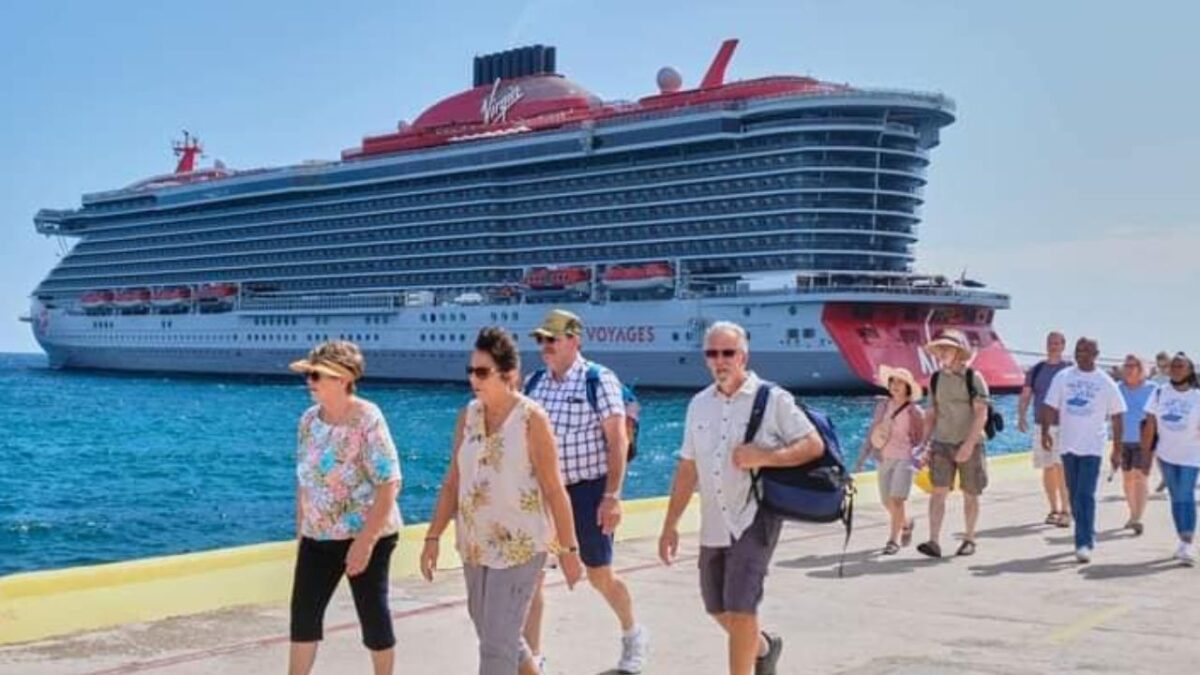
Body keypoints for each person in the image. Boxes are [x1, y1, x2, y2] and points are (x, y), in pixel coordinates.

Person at [657, 321, 824, 675]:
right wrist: (670, 525)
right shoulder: (698, 405)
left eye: (728, 353)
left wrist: (765, 457)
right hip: (714, 521)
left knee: (740, 607)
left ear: (743, 356)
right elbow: (687, 469)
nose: (720, 360)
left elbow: (813, 445)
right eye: (712, 353)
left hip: (755, 516)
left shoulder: (772, 398)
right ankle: (764, 648)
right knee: (715, 605)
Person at [420, 327, 584, 674]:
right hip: (475, 544)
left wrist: (569, 551)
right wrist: (432, 536)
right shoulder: (469, 416)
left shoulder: (531, 419)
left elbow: (555, 489)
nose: (473, 379)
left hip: (521, 546)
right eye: (471, 371)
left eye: (482, 372)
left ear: (508, 375)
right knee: (495, 633)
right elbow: (453, 482)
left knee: (496, 648)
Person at [521, 309, 647, 674]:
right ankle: (534, 660)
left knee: (599, 575)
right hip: (545, 492)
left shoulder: (598, 379)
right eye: (541, 340)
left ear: (575, 340)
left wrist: (612, 496)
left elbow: (617, 440)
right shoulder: (534, 383)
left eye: (552, 339)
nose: (544, 346)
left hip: (589, 490)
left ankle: (633, 635)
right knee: (533, 578)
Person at [287, 341, 403, 675]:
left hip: (367, 533)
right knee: (303, 616)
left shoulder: (368, 418)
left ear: (342, 379)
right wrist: (301, 533)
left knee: (373, 615)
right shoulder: (309, 420)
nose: (309, 381)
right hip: (318, 535)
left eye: (316, 375)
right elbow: (304, 481)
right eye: (309, 374)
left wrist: (365, 543)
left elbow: (389, 482)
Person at [1042, 338, 1125, 563]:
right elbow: (1050, 405)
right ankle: (1086, 530)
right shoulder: (1064, 377)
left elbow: (1118, 416)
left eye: (1086, 350)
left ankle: (1083, 542)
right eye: (1078, 350)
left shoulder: (1105, 382)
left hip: (1093, 447)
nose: (1081, 354)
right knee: (1073, 493)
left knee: (1085, 494)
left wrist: (1117, 449)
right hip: (1068, 445)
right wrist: (1045, 432)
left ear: (1096, 353)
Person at [916, 329, 990, 559]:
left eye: (946, 349)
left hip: (970, 443)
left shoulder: (973, 378)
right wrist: (924, 445)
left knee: (970, 493)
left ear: (958, 352)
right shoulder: (936, 379)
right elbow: (931, 414)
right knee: (937, 493)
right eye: (939, 349)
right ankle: (933, 541)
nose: (941, 353)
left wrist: (968, 445)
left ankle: (969, 538)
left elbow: (981, 414)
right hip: (942, 442)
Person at [854, 365, 925, 554]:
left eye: (900, 382)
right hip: (884, 458)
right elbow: (873, 432)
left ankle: (892, 540)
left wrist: (920, 458)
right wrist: (862, 458)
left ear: (908, 387)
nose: (895, 385)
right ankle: (907, 523)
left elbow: (922, 438)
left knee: (897, 500)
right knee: (886, 502)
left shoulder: (915, 411)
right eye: (893, 381)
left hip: (905, 459)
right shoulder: (883, 406)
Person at [1142, 353, 1200, 566]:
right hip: (1166, 455)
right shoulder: (1159, 393)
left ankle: (1187, 542)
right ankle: (1181, 538)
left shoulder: (1197, 396)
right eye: (1173, 365)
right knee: (1176, 498)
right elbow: (1149, 424)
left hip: (1191, 456)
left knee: (1186, 495)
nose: (1175, 368)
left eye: (1180, 365)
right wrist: (1146, 454)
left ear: (1189, 370)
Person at [1017, 331, 1073, 528]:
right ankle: (1053, 509)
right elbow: (1026, 394)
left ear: (1063, 345)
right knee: (1048, 468)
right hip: (1042, 426)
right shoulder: (1037, 370)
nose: (1053, 346)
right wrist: (1021, 415)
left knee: (1062, 468)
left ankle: (1066, 510)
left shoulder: (1070, 370)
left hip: (1064, 425)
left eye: (1057, 343)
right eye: (1050, 343)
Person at [1117, 354, 1156, 535]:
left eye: (1134, 366)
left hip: (1145, 441)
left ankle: (1137, 518)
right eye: (1127, 365)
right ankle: (1132, 513)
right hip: (1124, 440)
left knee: (1140, 477)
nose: (1130, 369)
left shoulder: (1153, 389)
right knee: (1127, 479)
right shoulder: (1118, 389)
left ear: (1142, 369)